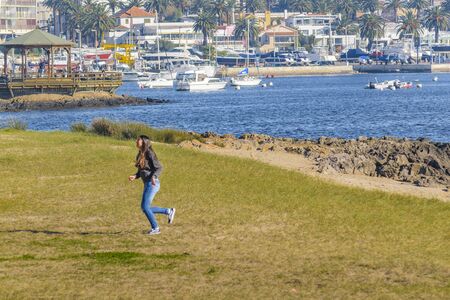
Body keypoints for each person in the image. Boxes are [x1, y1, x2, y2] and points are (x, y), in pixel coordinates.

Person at [129, 135, 175, 235]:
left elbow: (159, 168)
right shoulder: (140, 154)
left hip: (153, 183)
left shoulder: (149, 153)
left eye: (138, 139)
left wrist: (154, 177)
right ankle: (168, 211)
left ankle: (156, 228)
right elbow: (141, 171)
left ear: (144, 142)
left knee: (145, 207)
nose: (136, 141)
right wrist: (135, 176)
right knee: (145, 208)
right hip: (147, 183)